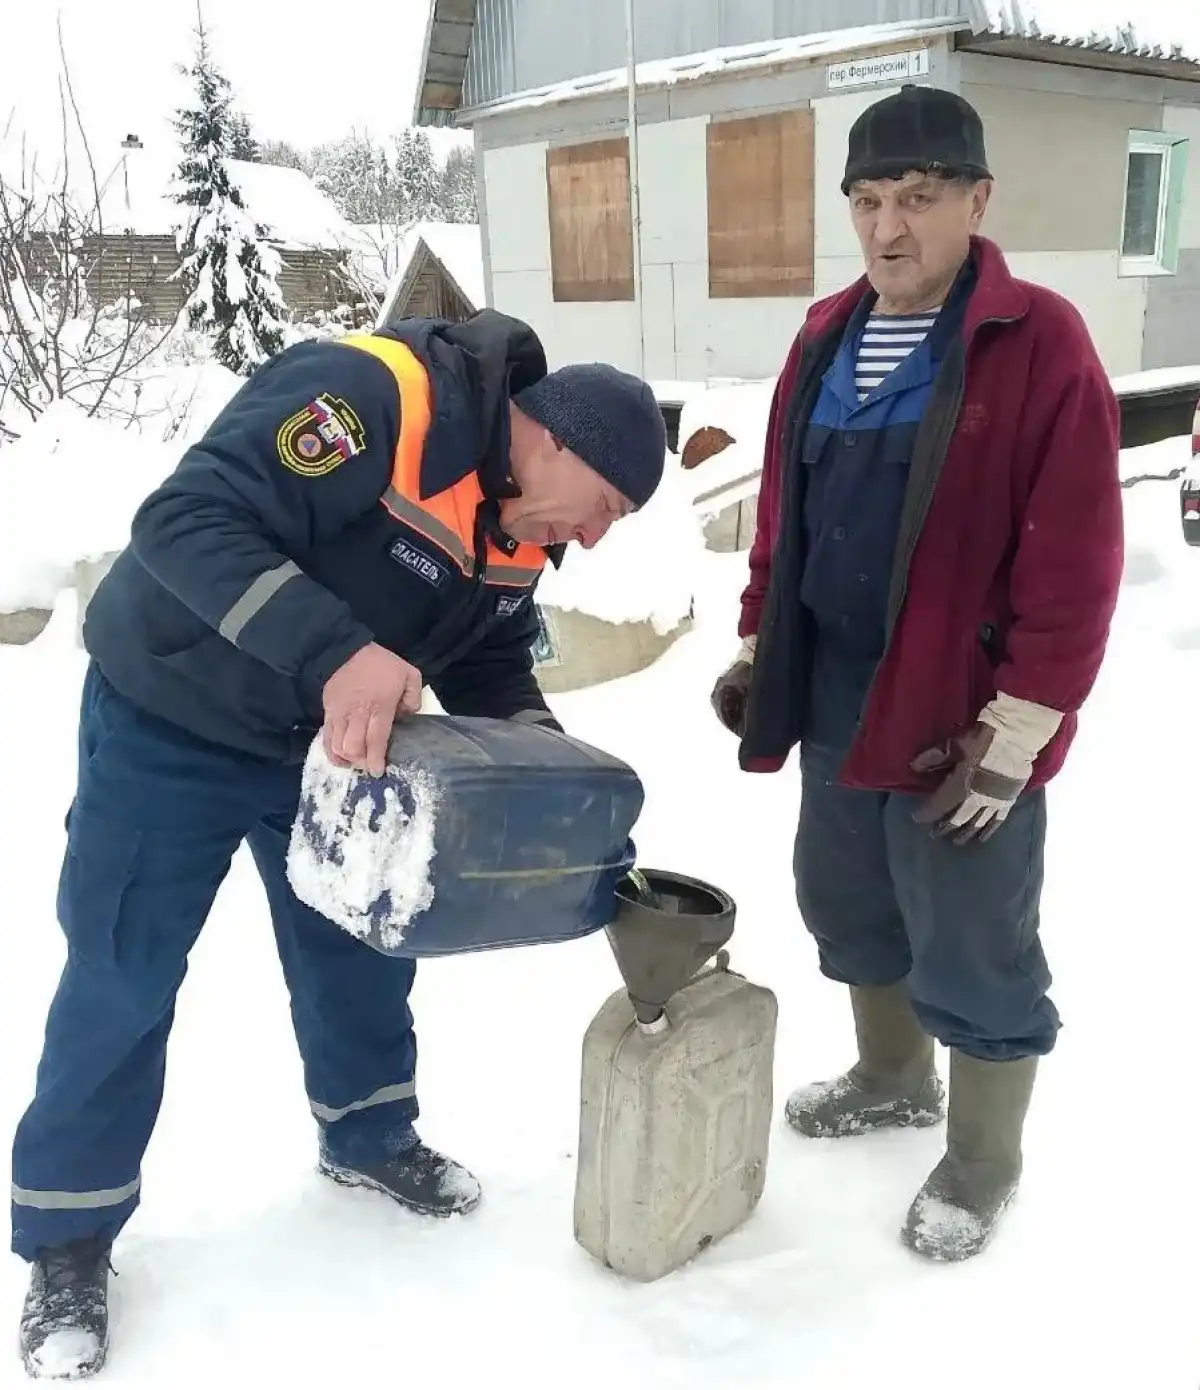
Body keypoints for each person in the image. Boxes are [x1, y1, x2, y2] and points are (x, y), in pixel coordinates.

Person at [11, 308, 666, 1379]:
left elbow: (494, 666)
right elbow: (183, 518)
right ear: (557, 440)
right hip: (168, 710)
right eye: (604, 507)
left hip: (326, 745)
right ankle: (69, 1232)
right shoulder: (376, 397)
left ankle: (368, 1133)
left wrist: (555, 782)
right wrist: (338, 651)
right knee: (122, 969)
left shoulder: (518, 531)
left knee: (362, 941)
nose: (593, 538)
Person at [711, 85, 1123, 1262]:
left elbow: (1078, 554)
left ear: (979, 199)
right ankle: (895, 1075)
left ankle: (986, 1156)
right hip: (838, 689)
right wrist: (758, 639)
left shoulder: (1037, 340)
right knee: (846, 893)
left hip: (963, 706)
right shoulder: (825, 334)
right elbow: (783, 518)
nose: (890, 227)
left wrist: (1021, 730)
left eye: (921, 198)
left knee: (973, 925)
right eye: (870, 201)